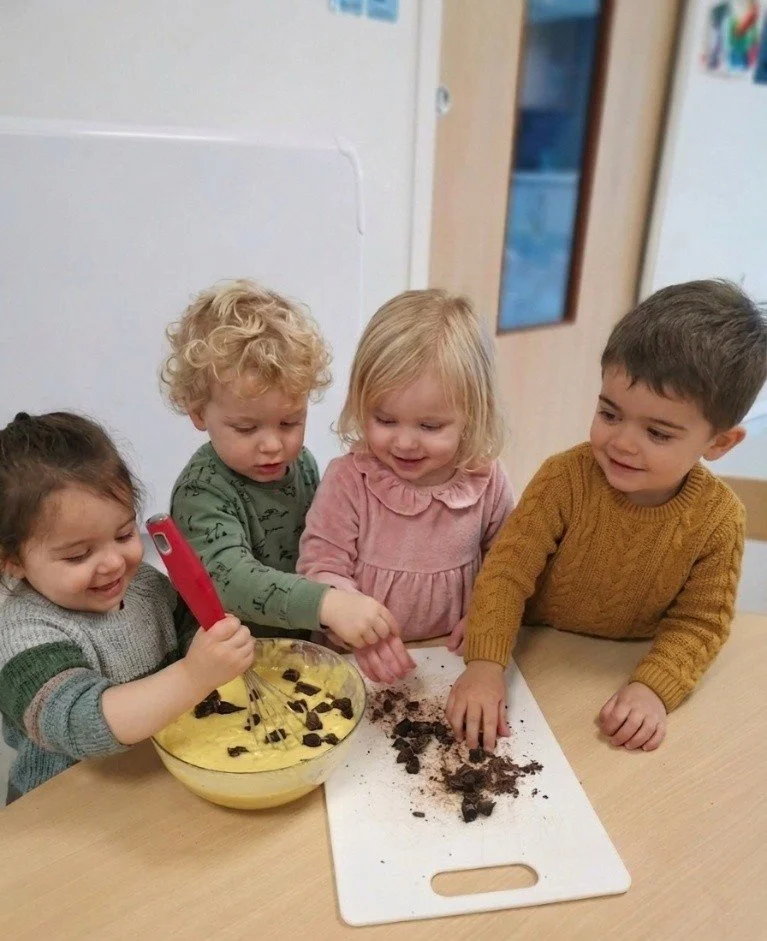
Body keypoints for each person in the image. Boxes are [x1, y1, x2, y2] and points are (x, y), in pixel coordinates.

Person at [447, 280, 767, 752]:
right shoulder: (564, 478)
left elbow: (700, 623)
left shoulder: (719, 520)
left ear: (719, 443)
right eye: (609, 413)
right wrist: (485, 663)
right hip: (536, 649)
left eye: (657, 433)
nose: (621, 442)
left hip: (621, 663)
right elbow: (507, 572)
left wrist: (653, 689)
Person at [0, 411, 254, 801]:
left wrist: (214, 644)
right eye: (78, 555)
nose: (114, 563)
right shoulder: (23, 636)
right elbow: (82, 721)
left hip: (158, 777)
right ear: (11, 560)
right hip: (69, 808)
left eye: (123, 534)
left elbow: (190, 632)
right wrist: (193, 674)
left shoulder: (145, 587)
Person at [163, 279, 407, 667]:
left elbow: (325, 548)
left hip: (298, 652)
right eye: (246, 429)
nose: (273, 445)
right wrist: (327, 603)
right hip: (228, 666)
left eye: (290, 422)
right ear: (197, 412)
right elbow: (232, 582)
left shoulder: (303, 464)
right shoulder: (201, 491)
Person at [298, 289, 513, 683]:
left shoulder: (486, 478)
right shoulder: (349, 480)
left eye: (430, 426)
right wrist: (349, 617)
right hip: (357, 661)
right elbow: (320, 566)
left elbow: (508, 561)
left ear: (472, 414)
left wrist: (486, 615)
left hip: (452, 655)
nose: (405, 442)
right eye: (385, 420)